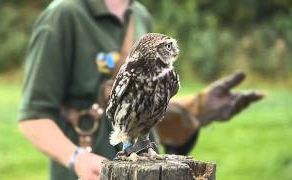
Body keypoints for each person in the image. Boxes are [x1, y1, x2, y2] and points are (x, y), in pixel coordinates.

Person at [19, 0, 264, 180]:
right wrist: (78, 160)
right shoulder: (63, 15)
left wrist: (193, 109)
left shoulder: (139, 14)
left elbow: (141, 94)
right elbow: (33, 117)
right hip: (89, 172)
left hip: (147, 169)